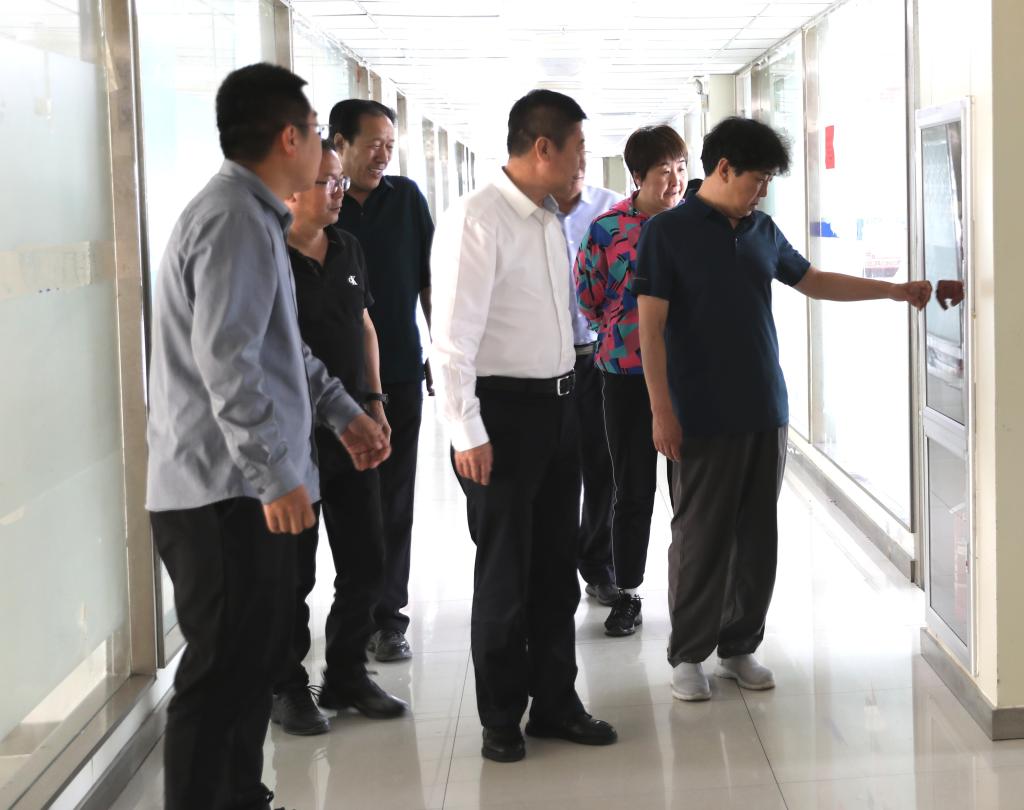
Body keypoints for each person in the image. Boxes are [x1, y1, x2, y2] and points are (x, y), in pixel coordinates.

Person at [145, 64, 389, 810]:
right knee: (219, 676)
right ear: (289, 138)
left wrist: (344, 411)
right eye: (315, 131)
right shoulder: (232, 221)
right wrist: (275, 474)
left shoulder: (256, 219)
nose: (322, 147)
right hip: (223, 495)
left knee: (248, 669)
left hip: (239, 488)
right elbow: (231, 365)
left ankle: (240, 797)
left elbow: (283, 350)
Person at [635, 117, 931, 702]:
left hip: (764, 409)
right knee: (700, 538)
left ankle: (738, 646)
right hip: (699, 415)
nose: (763, 190)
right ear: (724, 169)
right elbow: (650, 328)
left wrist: (893, 290)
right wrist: (660, 411)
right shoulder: (667, 232)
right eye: (759, 178)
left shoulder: (762, 230)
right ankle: (688, 654)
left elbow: (813, 280)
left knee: (757, 538)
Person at [431, 89, 618, 763]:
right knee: (506, 574)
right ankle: (501, 717)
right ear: (543, 148)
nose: (583, 164)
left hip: (558, 408)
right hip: (502, 418)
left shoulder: (546, 217)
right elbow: (451, 339)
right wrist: (467, 432)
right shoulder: (477, 219)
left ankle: (556, 702)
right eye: (578, 150)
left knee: (555, 571)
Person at [271, 140, 407, 737]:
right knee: (293, 573)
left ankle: (346, 673)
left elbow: (364, 325)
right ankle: (286, 685)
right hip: (294, 437)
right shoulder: (270, 256)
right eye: (325, 182)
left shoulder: (347, 245)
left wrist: (374, 401)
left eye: (338, 181)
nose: (337, 191)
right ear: (289, 191)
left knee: (366, 559)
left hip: (352, 428)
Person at [331, 99, 434, 662]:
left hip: (398, 373)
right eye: (373, 144)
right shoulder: (319, 205)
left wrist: (443, 353)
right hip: (331, 384)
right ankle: (355, 612)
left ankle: (389, 619)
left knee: (395, 499)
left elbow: (430, 282)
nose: (383, 155)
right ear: (339, 143)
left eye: (390, 146)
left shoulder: (407, 199)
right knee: (350, 504)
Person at [574, 125, 688, 637]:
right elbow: (588, 297)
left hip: (688, 375)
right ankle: (628, 592)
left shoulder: (697, 224)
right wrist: (625, 330)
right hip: (625, 374)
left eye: (681, 168)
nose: (675, 180)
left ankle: (693, 591)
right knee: (633, 487)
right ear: (638, 175)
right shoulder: (606, 229)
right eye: (664, 170)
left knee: (690, 492)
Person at [551, 167, 621, 609]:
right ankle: (554, 570)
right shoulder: (523, 211)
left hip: (597, 356)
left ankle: (598, 564)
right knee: (556, 470)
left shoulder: (609, 207)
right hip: (544, 363)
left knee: (604, 464)